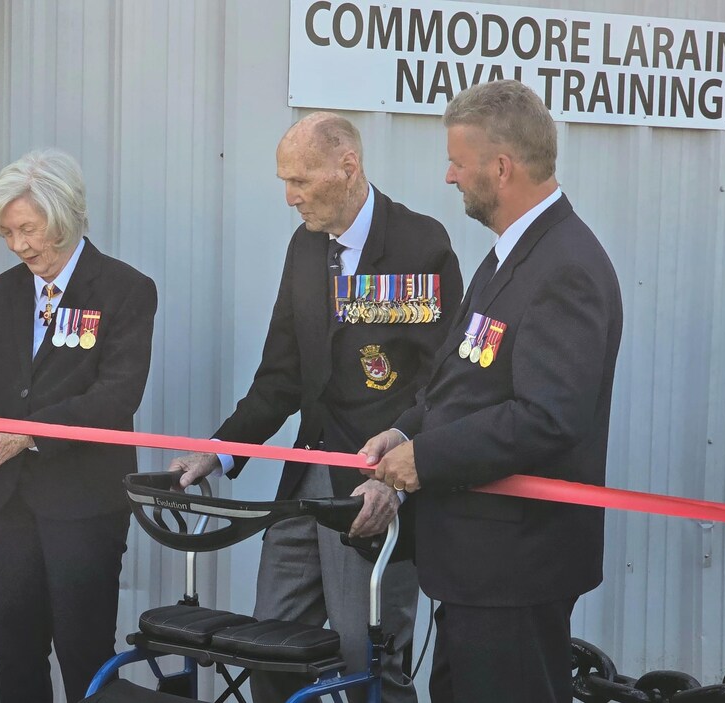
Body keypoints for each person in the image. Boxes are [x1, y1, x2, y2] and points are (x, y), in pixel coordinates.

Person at [170, 112, 461, 703]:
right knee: (271, 653)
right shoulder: (305, 248)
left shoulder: (419, 243)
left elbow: (442, 381)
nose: (288, 197)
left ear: (346, 166)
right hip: (304, 483)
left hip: (372, 494)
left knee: (368, 667)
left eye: (299, 181)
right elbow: (280, 376)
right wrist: (220, 451)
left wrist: (398, 468)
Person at [362, 80, 623, 703]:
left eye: (458, 161)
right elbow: (460, 377)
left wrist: (423, 459)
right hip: (475, 565)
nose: (449, 176)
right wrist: (404, 430)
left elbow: (547, 416)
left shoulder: (566, 267)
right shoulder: (510, 256)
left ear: (501, 168)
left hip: (515, 566)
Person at [0, 149, 157, 703]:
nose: (21, 245)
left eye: (29, 229)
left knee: (84, 652)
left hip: (82, 503)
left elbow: (116, 398)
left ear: (67, 215)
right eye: (8, 233)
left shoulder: (124, 289)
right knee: (15, 650)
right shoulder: (2, 293)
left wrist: (25, 433)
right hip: (3, 503)